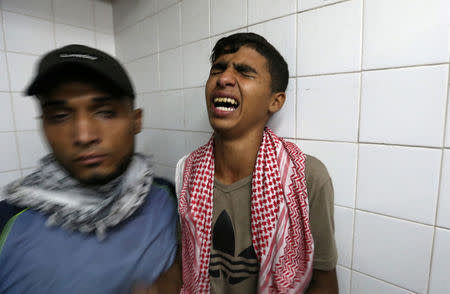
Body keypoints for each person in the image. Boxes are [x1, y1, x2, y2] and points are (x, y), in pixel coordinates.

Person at [0, 45, 180, 294]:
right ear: (43, 125)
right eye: (60, 116)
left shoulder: (168, 199)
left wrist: (173, 278)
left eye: (105, 112)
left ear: (136, 120)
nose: (84, 136)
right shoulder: (7, 223)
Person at [175, 33, 338, 293]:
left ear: (275, 101)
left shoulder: (306, 177)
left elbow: (324, 282)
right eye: (218, 68)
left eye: (244, 72)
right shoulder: (187, 171)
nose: (224, 78)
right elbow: (182, 262)